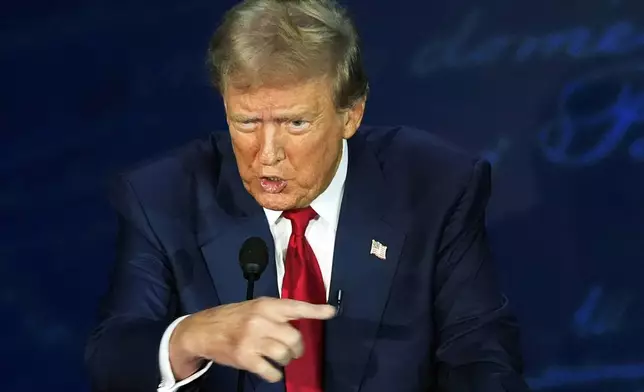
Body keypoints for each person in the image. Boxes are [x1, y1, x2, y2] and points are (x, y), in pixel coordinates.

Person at [85, 0, 530, 391]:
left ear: (351, 114)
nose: (267, 155)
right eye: (246, 123)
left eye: (295, 123)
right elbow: (112, 356)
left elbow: (479, 355)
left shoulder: (434, 186)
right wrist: (189, 337)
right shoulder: (164, 196)